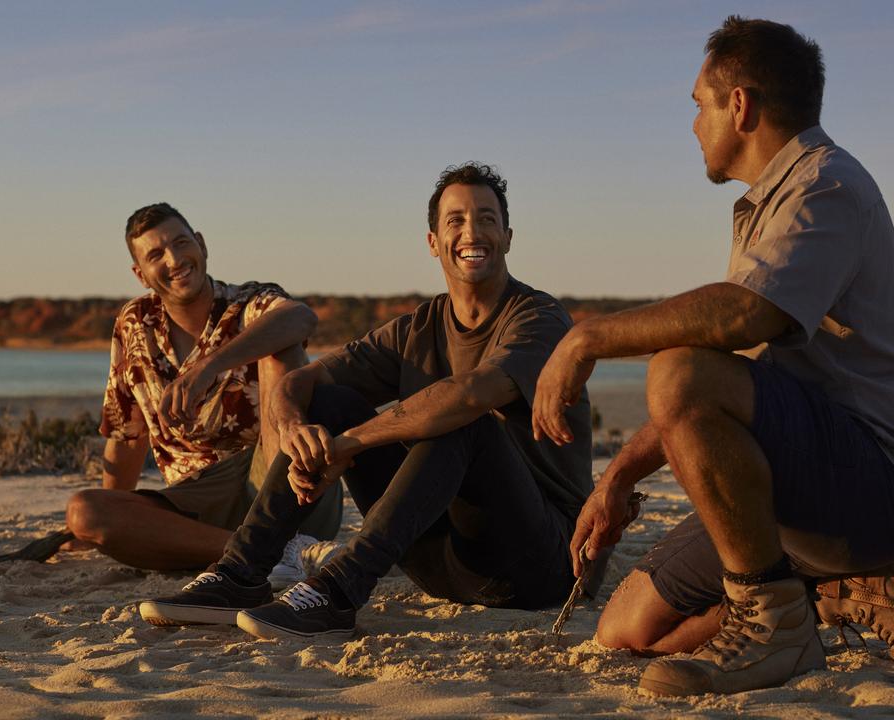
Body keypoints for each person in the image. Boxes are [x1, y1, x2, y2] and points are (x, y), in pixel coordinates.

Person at [531, 16, 894, 696]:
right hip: (799, 478)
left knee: (679, 364)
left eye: (699, 104)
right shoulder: (769, 211)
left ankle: (778, 623)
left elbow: (740, 322)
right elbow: (731, 386)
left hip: (881, 487)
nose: (693, 124)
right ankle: (821, 599)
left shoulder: (827, 187)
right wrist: (619, 480)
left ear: (740, 105)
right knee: (624, 631)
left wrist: (587, 335)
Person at [138, 163, 595, 639]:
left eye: (486, 218)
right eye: (455, 220)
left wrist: (349, 444)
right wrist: (295, 430)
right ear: (433, 242)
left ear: (507, 236)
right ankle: (238, 575)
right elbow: (299, 384)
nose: (471, 232)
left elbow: (470, 394)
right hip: (442, 564)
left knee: (462, 420)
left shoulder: (540, 318)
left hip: (540, 566)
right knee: (329, 403)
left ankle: (338, 593)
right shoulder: (417, 328)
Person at [65, 203, 342, 581]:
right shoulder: (135, 324)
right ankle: (260, 551)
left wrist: (207, 366)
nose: (175, 259)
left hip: (283, 480)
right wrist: (111, 516)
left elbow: (301, 318)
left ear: (201, 244)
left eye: (182, 243)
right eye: (156, 254)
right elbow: (128, 436)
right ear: (140, 273)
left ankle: (277, 535)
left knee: (281, 348)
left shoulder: (248, 303)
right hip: (199, 504)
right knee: (84, 512)